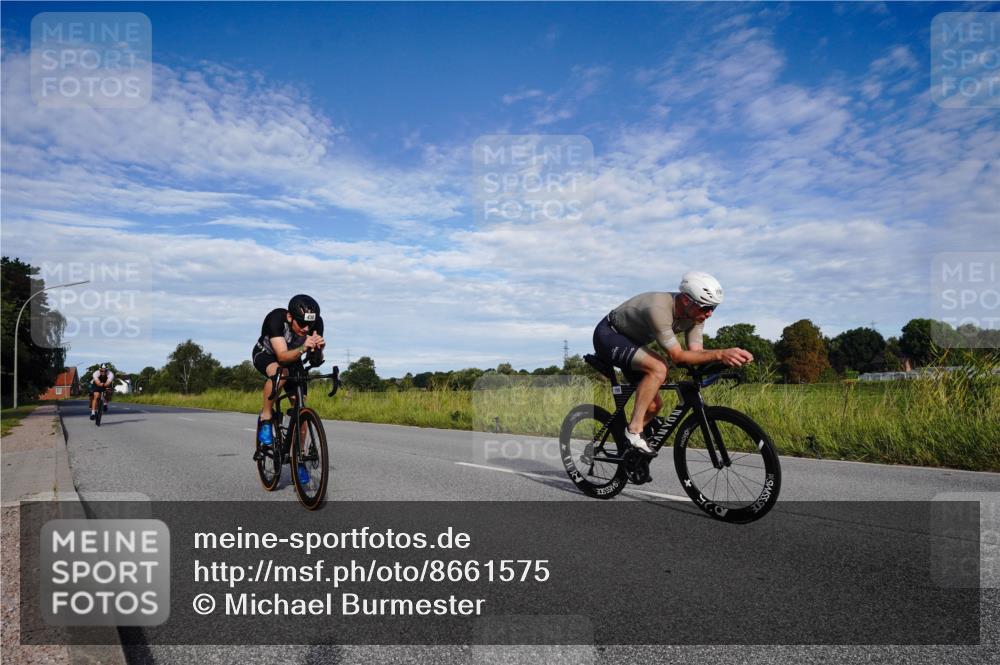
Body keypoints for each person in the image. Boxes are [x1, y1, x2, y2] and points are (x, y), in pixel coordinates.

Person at [592, 271, 753, 456]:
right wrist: (720, 353)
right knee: (659, 367)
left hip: (633, 344)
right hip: (609, 336)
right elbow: (677, 356)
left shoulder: (696, 316)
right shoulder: (658, 309)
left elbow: (695, 354)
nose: (709, 313)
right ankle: (633, 432)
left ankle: (626, 448)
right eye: (705, 308)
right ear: (686, 301)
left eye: (713, 308)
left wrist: (726, 361)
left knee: (653, 407)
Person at [251, 295, 326, 484]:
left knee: (301, 408)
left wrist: (318, 349)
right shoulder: (276, 319)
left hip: (294, 360)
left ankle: (298, 459)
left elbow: (315, 360)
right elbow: (282, 357)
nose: (306, 329)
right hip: (267, 355)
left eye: (309, 325)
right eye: (301, 324)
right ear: (290, 317)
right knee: (280, 371)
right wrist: (303, 348)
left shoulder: (316, 323)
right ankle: (266, 418)